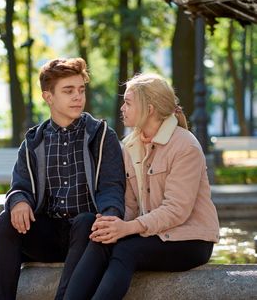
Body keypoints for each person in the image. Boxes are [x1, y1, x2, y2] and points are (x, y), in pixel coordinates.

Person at [63, 73, 220, 300]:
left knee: (127, 249)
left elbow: (176, 211)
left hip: (190, 239)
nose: (122, 108)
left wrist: (128, 229)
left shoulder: (186, 146)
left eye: (128, 102)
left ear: (150, 108)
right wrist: (112, 225)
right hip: (153, 233)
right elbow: (130, 205)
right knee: (102, 240)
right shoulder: (129, 146)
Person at [0, 57, 125, 300]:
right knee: (7, 219)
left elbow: (111, 186)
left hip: (87, 237)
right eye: (68, 91)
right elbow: (19, 186)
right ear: (48, 97)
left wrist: (111, 215)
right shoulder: (34, 141)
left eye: (81, 90)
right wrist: (19, 200)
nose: (78, 97)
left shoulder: (101, 135)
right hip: (48, 235)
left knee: (84, 221)